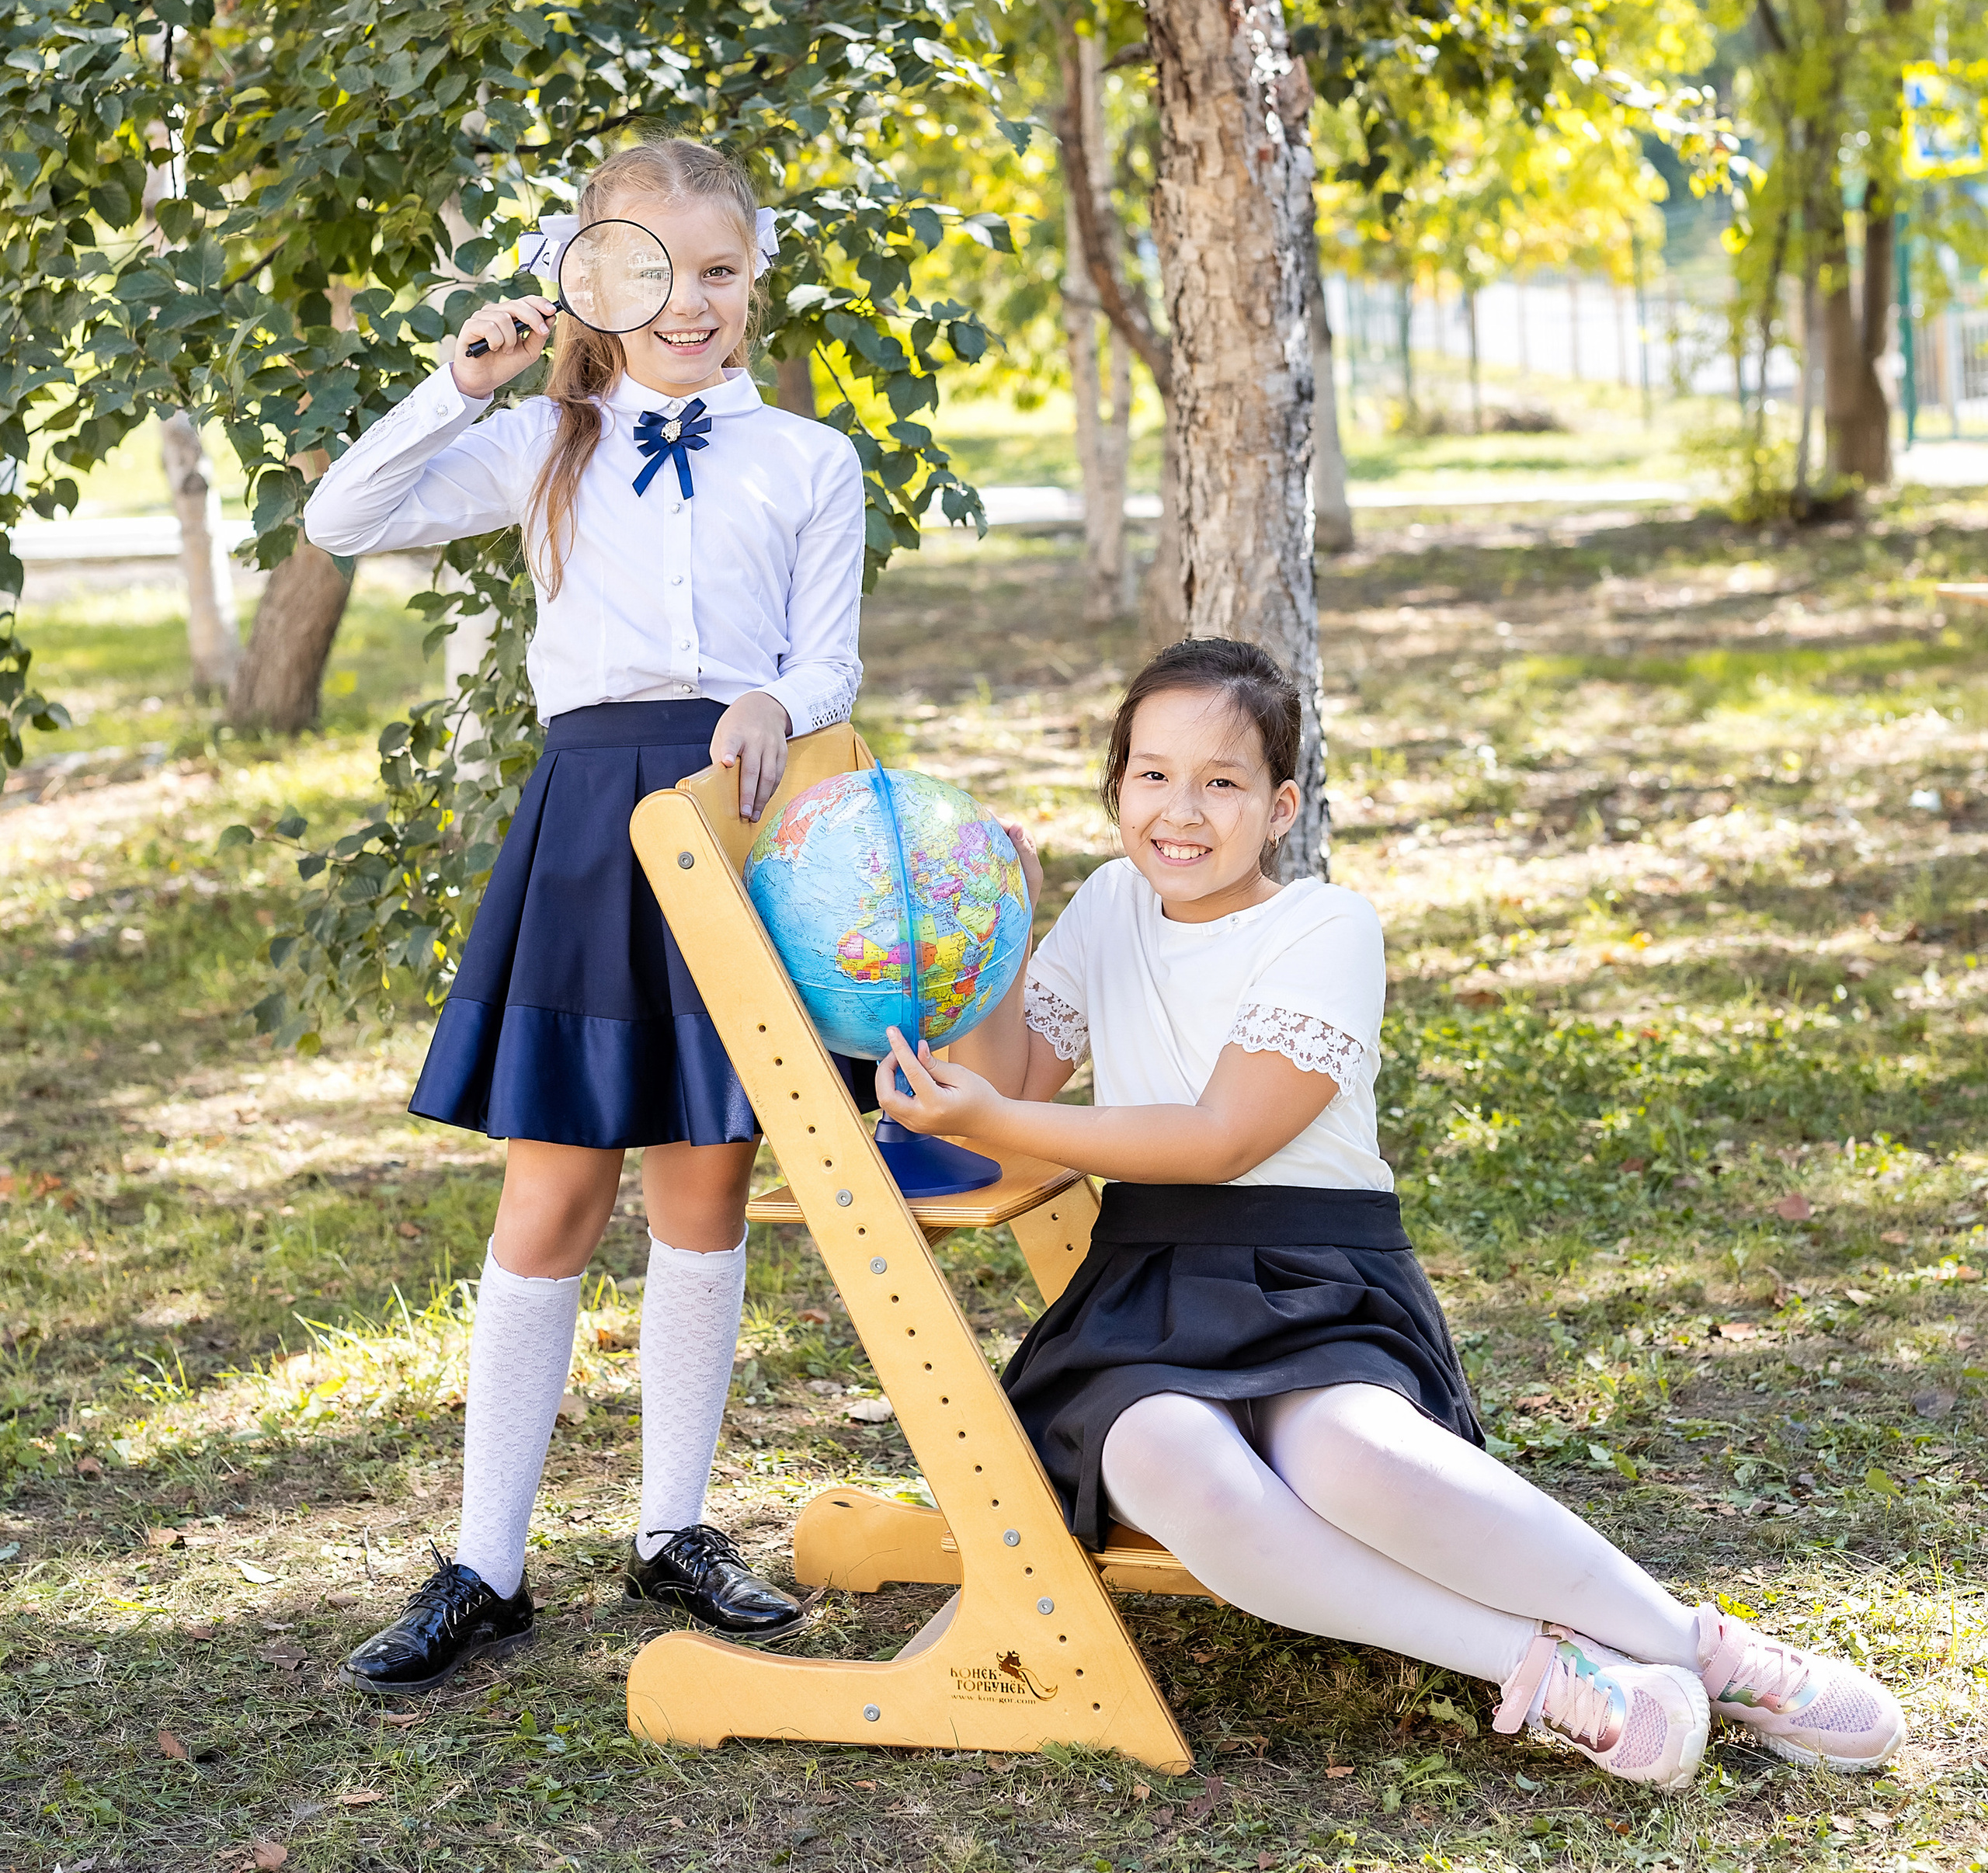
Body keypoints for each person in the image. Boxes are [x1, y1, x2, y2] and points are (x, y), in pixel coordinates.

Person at [877, 636, 1904, 1788]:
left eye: (1221, 782)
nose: (1182, 810)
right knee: (1172, 1464)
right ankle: (1547, 1670)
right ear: (1115, 790)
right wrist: (1002, 932)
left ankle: (1703, 1652)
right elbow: (1011, 1082)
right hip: (1147, 1287)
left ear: (1279, 807)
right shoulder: (1111, 904)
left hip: (1313, 1274)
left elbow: (1221, 1139)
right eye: (1152, 774)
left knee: (1355, 1458)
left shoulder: (1327, 928)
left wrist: (993, 1122)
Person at [304, 137, 867, 1694]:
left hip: (733, 823)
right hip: (586, 825)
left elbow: (829, 663)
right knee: (552, 1194)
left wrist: (771, 697)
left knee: (704, 1185)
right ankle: (486, 1561)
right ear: (591, 285)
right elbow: (347, 522)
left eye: (719, 273)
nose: (689, 304)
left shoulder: (808, 461)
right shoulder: (545, 442)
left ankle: (670, 1532)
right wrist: (460, 384)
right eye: (651, 273)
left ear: (755, 277)